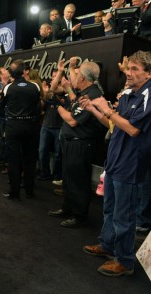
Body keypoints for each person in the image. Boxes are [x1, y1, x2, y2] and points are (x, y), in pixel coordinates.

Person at [82, 50, 151, 277]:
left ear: (148, 74)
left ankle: (124, 261)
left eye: (134, 69)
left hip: (129, 166)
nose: (128, 73)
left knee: (124, 216)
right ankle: (108, 245)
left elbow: (132, 129)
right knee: (110, 210)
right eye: (128, 68)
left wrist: (107, 109)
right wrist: (95, 109)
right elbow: (114, 124)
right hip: (114, 161)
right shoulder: (130, 92)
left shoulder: (147, 96)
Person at [48, 60, 104, 227]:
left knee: (78, 181)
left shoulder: (92, 95)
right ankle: (68, 208)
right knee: (68, 178)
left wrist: (56, 105)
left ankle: (79, 215)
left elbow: (72, 121)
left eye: (77, 74)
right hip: (72, 143)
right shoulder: (84, 92)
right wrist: (66, 88)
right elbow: (68, 100)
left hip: (80, 144)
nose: (75, 76)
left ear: (84, 78)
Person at [1, 59, 41, 200]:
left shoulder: (8, 88)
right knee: (30, 160)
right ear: (24, 71)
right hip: (31, 126)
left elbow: (1, 107)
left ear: (12, 73)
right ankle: (29, 191)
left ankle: (15, 192)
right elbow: (38, 106)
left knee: (13, 160)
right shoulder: (35, 86)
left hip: (14, 126)